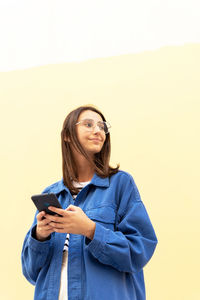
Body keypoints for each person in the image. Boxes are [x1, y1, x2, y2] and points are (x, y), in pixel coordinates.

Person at [21, 105, 158, 300]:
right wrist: (40, 236)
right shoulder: (52, 194)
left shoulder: (120, 185)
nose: (98, 131)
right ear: (68, 135)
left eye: (102, 127)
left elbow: (140, 250)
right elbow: (31, 272)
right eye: (88, 124)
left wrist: (91, 230)